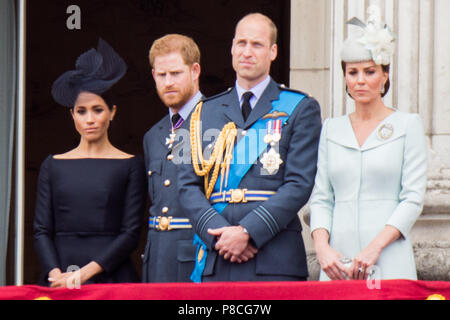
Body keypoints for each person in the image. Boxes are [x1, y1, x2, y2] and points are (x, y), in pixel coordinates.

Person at [178, 13, 322, 282]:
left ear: (273, 51)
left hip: (274, 257)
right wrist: (220, 233)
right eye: (241, 43)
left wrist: (247, 232)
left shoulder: (300, 108)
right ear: (232, 48)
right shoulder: (202, 113)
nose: (247, 52)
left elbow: (299, 184)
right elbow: (186, 187)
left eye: (256, 44)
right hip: (217, 255)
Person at [310, 6, 428, 281]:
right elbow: (322, 197)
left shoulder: (407, 125)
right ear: (346, 79)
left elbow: (412, 198)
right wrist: (322, 247)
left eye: (370, 71)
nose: (360, 80)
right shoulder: (331, 129)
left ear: (385, 76)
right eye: (353, 73)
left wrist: (375, 247)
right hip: (337, 263)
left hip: (388, 257)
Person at [33, 38, 146, 287]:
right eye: (81, 111)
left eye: (98, 109)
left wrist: (83, 275)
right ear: (72, 115)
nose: (90, 119)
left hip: (110, 275)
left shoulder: (130, 164)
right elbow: (41, 230)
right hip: (59, 276)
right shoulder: (52, 165)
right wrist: (56, 274)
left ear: (112, 112)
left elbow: (130, 234)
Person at [142, 34, 202, 282]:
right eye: (161, 75)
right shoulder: (152, 135)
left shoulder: (217, 123)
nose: (168, 82)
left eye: (176, 73)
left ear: (195, 70)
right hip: (156, 258)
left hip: (196, 258)